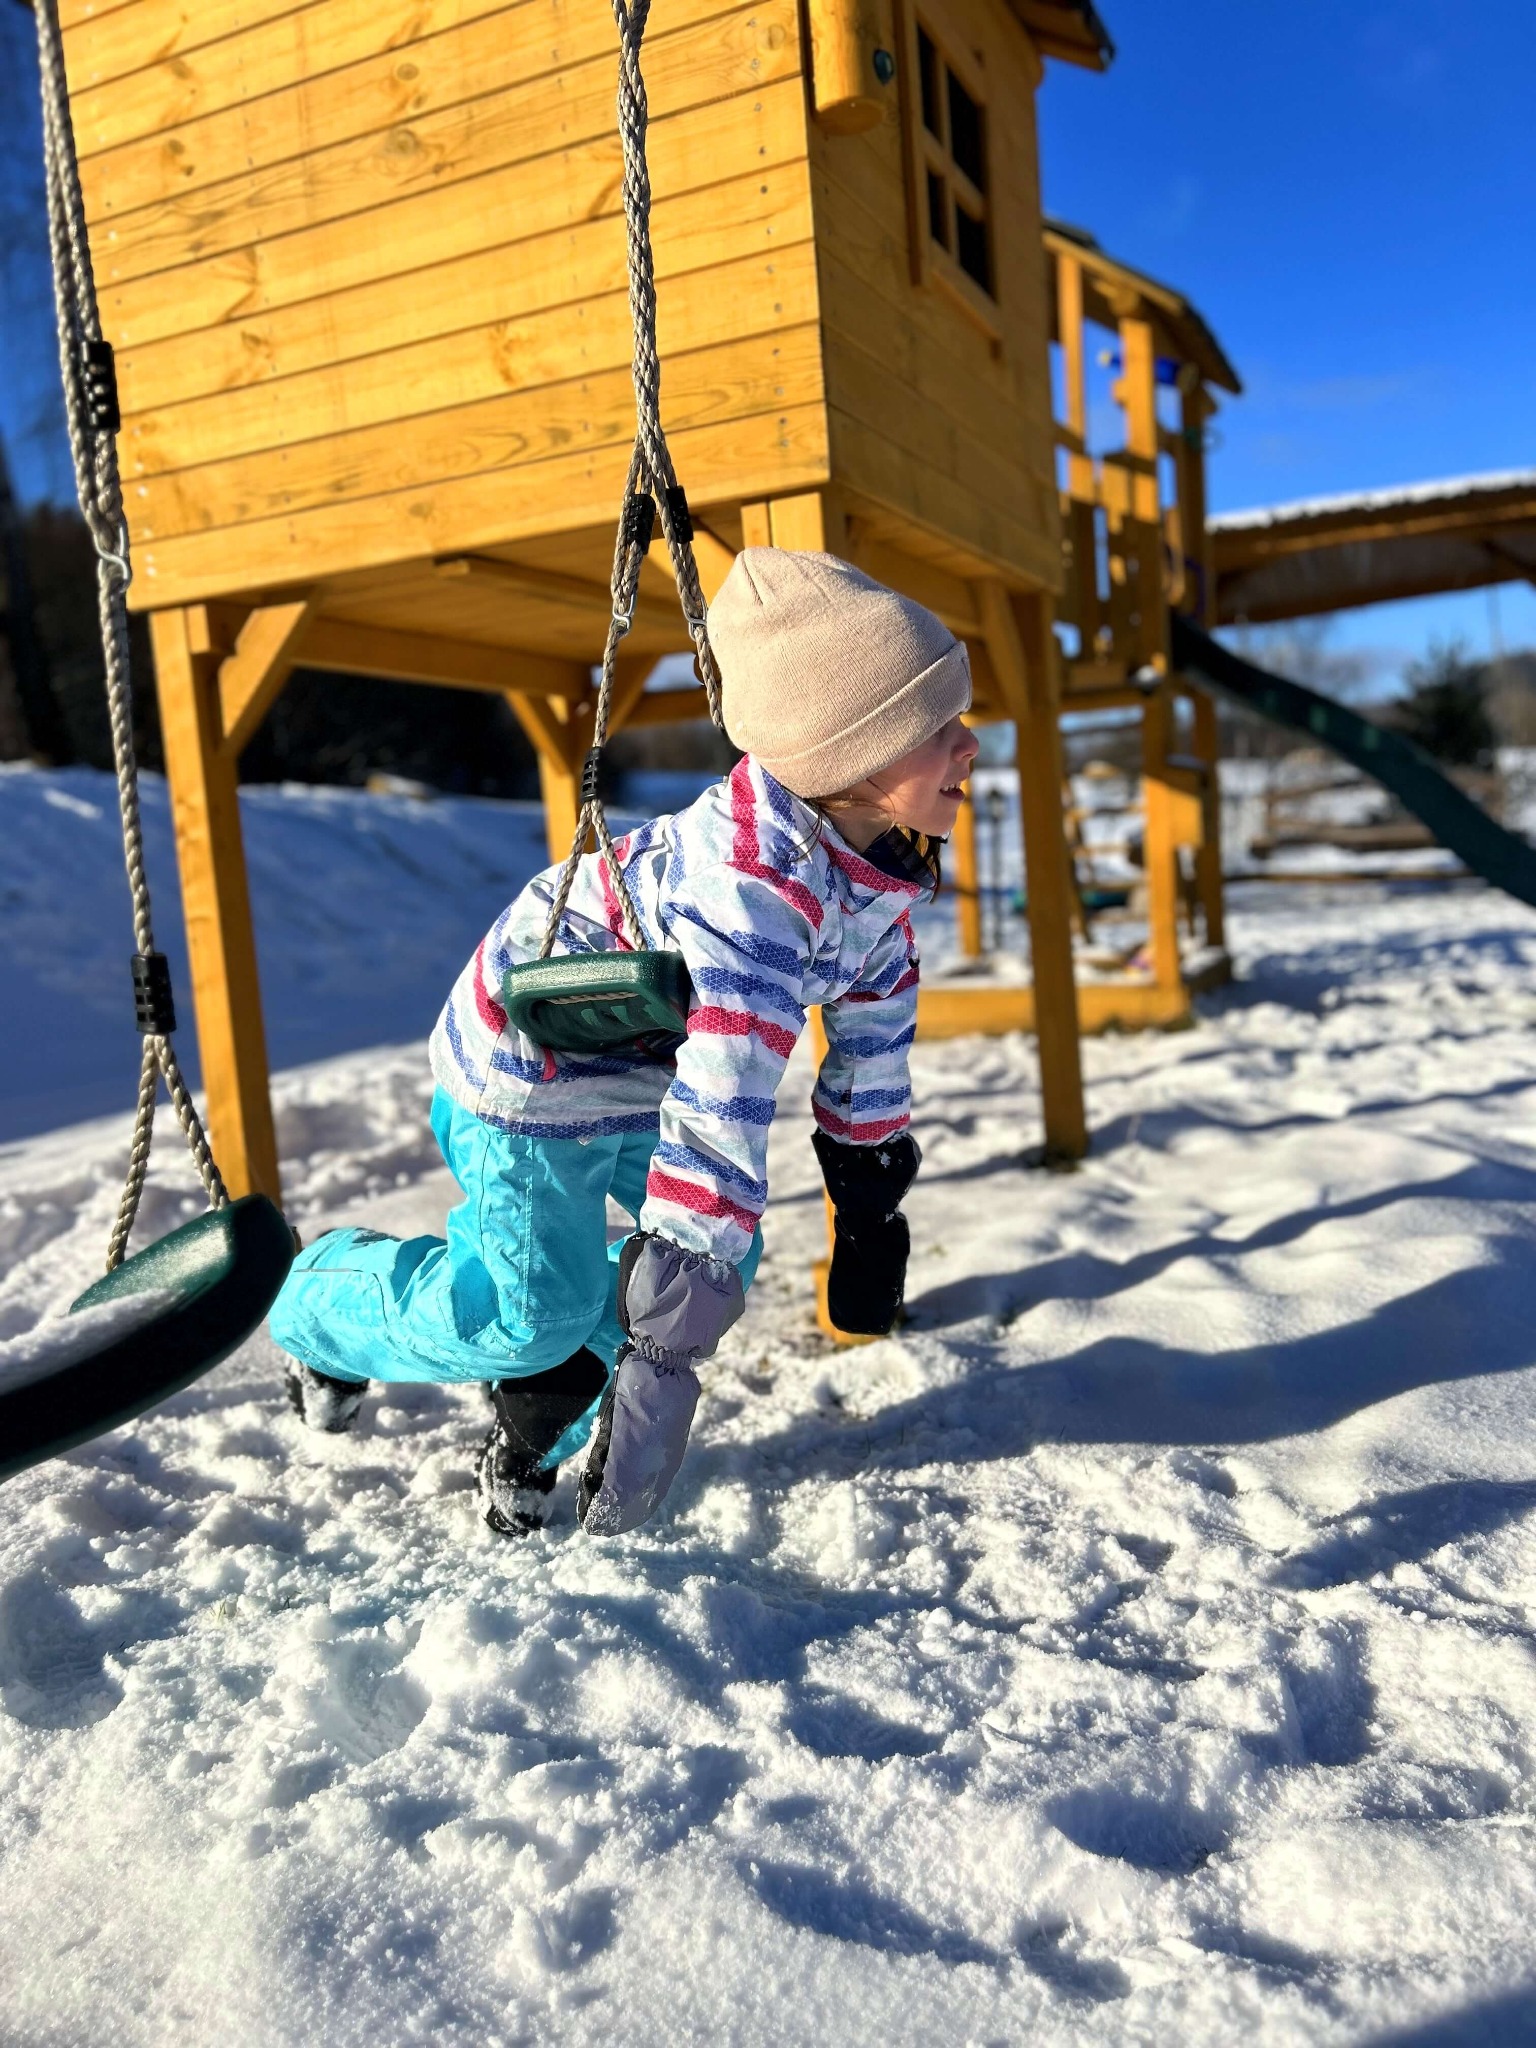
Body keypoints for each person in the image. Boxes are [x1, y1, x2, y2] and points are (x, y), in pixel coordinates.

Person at [269, 548, 979, 1538]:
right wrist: (660, 1374)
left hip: (642, 1070)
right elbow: (722, 1114)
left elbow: (872, 1045)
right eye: (937, 727)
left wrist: (868, 1210)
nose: (969, 744)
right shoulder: (751, 900)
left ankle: (542, 1406)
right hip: (529, 1072)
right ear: (847, 756)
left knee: (705, 1258)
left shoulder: (873, 875)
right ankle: (317, 1300)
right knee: (530, 1312)